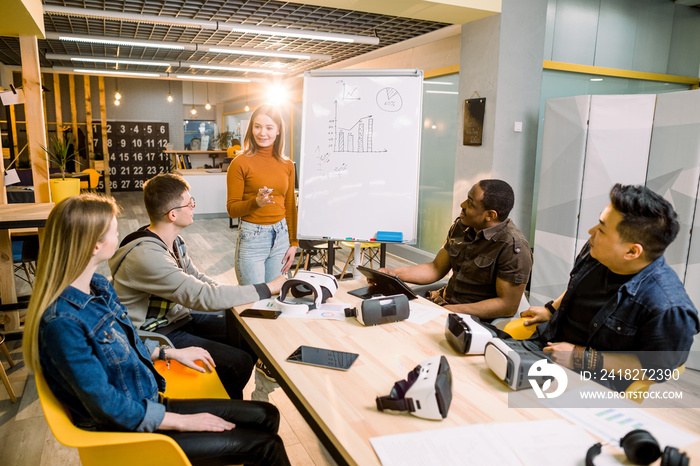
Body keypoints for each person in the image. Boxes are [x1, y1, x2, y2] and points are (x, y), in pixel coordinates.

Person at [23, 194, 291, 466]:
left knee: (266, 415)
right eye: (115, 230)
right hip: (127, 430)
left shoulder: (98, 288)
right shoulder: (63, 323)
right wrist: (184, 422)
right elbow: (108, 406)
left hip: (146, 400)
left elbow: (123, 343)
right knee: (268, 446)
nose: (120, 232)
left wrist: (167, 353)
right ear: (95, 245)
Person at [109, 173, 285, 400]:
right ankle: (228, 411)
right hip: (156, 334)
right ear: (173, 214)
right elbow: (203, 297)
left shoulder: (172, 241)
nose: (193, 206)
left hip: (178, 319)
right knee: (238, 363)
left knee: (248, 337)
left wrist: (227, 296)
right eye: (189, 202)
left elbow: (198, 279)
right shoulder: (147, 256)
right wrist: (268, 288)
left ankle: (224, 398)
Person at [520, 184, 699, 390]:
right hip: (542, 347)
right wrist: (550, 310)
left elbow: (657, 369)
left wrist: (582, 358)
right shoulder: (597, 250)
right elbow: (578, 284)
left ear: (632, 251)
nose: (591, 231)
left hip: (592, 381)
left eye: (602, 230)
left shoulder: (669, 308)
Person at [379, 179, 532, 320]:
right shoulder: (462, 226)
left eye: (470, 203)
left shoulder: (512, 247)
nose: (463, 205)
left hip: (469, 319)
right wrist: (392, 274)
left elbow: (507, 306)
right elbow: (435, 268)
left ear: (490, 215)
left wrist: (449, 311)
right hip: (441, 304)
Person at [226, 104, 298, 286]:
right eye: (257, 126)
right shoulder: (240, 163)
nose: (262, 133)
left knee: (274, 299)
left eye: (269, 127)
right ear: (251, 129)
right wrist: (255, 203)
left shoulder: (288, 165)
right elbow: (232, 210)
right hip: (252, 238)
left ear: (278, 130)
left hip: (281, 236)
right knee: (254, 300)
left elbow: (289, 206)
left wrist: (294, 242)